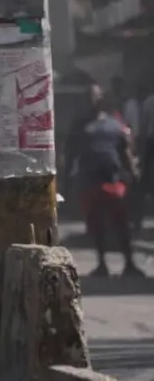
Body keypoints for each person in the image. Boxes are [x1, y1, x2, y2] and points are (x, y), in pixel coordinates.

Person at [66, 84, 145, 277]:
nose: (92, 100)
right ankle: (102, 264)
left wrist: (134, 174)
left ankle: (129, 263)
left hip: (113, 182)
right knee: (96, 225)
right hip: (90, 183)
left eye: (95, 96)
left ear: (102, 99)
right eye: (88, 97)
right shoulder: (78, 126)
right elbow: (70, 155)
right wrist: (67, 180)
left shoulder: (114, 124)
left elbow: (124, 151)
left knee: (121, 224)